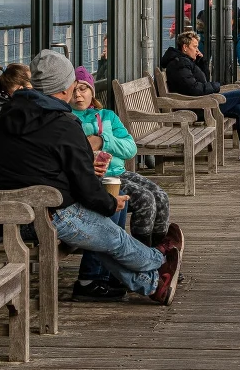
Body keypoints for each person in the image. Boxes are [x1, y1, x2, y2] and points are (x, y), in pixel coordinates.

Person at [0, 49, 183, 305]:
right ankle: (159, 259)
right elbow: (85, 185)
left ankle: (153, 286)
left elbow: (37, 159)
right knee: (113, 236)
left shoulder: (10, 113)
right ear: (65, 87)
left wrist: (81, 164)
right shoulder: (62, 122)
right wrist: (112, 203)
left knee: (102, 237)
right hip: (49, 213)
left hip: (14, 208)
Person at [67, 66, 173, 247]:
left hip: (119, 172)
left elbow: (130, 149)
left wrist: (103, 140)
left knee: (161, 197)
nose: (78, 95)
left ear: (91, 91)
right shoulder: (68, 119)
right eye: (74, 89)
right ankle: (143, 252)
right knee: (145, 199)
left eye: (83, 88)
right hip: (96, 178)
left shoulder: (107, 116)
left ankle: (159, 250)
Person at [161, 30, 240, 161]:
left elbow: (203, 80)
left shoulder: (185, 61)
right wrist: (216, 87)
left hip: (201, 102)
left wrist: (201, 61)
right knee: (239, 94)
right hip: (194, 107)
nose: (197, 49)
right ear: (184, 47)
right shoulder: (179, 64)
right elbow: (195, 89)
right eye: (194, 46)